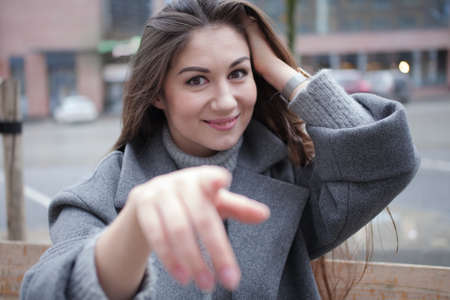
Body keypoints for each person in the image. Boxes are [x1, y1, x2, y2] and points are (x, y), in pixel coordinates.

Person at [21, 0, 420, 299]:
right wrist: (135, 228)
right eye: (197, 80)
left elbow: (384, 159)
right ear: (159, 93)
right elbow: (45, 289)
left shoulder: (289, 173)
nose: (227, 101)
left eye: (238, 73)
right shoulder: (106, 192)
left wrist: (277, 68)